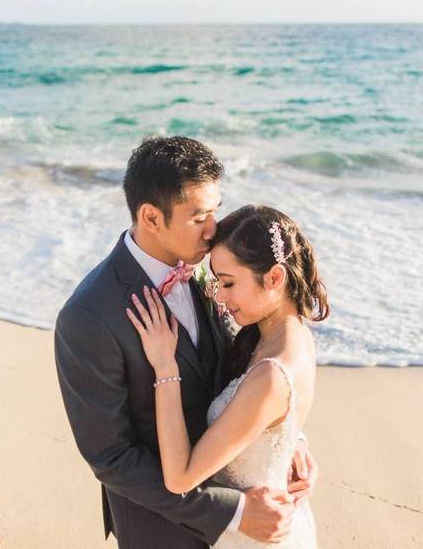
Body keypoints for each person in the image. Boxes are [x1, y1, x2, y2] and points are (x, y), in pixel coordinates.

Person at [54, 136, 318, 548]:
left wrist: (284, 437)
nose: (214, 230)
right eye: (199, 217)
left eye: (215, 210)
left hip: (251, 504)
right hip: (161, 529)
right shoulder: (88, 318)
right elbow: (112, 458)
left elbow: (246, 370)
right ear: (151, 217)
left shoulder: (207, 266)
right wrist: (232, 511)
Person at [127, 204, 327, 548]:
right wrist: (294, 441)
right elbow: (276, 422)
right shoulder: (292, 335)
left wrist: (165, 367)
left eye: (229, 283)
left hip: (256, 535)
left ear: (275, 277)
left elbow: (180, 478)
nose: (219, 295)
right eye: (218, 281)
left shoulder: (271, 374)